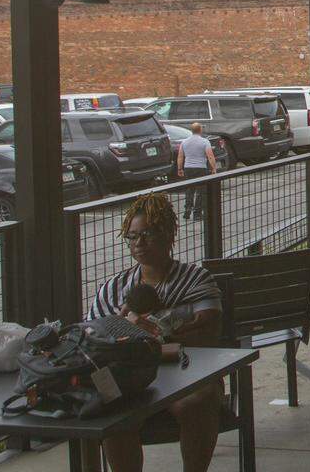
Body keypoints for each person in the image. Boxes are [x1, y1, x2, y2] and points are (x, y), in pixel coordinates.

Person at [89, 193, 223, 472]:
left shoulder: (196, 279)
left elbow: (209, 332)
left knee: (199, 402)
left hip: (185, 374)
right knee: (110, 411)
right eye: (132, 236)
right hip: (132, 379)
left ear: (168, 234)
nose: (139, 243)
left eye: (147, 234)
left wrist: (159, 331)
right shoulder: (114, 288)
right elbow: (92, 338)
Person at [178, 122, 217, 222]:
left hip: (188, 167)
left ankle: (187, 209)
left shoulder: (184, 142)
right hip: (201, 168)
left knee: (189, 189)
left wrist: (180, 168)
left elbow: (180, 156)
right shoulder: (205, 142)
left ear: (191, 130)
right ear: (200, 130)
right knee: (201, 191)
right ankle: (197, 214)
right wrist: (213, 168)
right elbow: (210, 156)